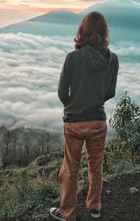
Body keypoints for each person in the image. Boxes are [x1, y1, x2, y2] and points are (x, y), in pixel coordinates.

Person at [50, 11, 119, 221]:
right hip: (98, 121)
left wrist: (74, 106)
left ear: (83, 30)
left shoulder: (72, 58)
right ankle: (94, 207)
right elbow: (110, 92)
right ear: (104, 32)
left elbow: (62, 92)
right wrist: (94, 101)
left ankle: (67, 212)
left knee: (70, 169)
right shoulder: (112, 60)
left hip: (74, 123)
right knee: (95, 167)